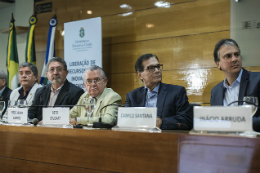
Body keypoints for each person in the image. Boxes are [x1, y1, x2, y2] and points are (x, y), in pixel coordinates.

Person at [125, 54, 192, 130]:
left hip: (165, 138)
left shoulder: (176, 92)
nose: (157, 71)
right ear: (140, 75)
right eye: (151, 68)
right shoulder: (132, 96)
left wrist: (161, 122)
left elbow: (187, 120)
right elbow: (122, 120)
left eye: (158, 67)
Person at [210, 39, 260, 132]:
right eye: (228, 56)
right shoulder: (215, 91)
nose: (234, 59)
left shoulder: (257, 80)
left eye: (236, 54)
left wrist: (236, 124)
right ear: (218, 64)